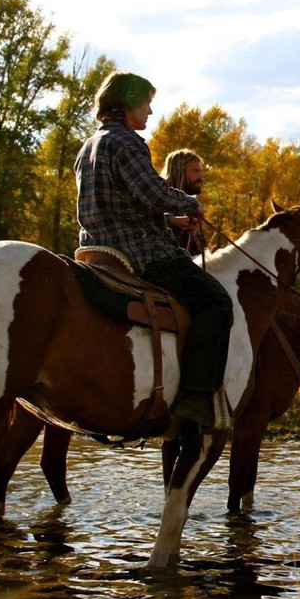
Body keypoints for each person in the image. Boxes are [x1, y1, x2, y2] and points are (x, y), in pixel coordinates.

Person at [74, 72, 232, 431]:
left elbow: (122, 205)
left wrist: (172, 223)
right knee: (216, 301)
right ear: (127, 105)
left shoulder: (89, 145)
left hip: (94, 249)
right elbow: (154, 194)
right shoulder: (128, 143)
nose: (150, 111)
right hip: (138, 254)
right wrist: (190, 204)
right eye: (146, 103)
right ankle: (194, 397)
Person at [159, 148, 208, 256]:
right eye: (196, 171)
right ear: (179, 171)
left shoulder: (190, 207)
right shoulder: (158, 198)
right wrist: (170, 221)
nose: (200, 177)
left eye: (200, 171)